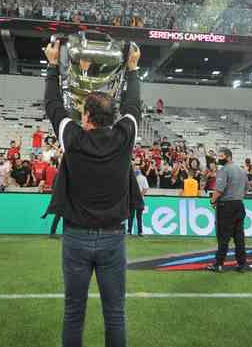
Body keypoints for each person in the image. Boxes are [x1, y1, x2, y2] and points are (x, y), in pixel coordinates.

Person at [42, 39, 141, 347]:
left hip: (75, 237)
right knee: (115, 312)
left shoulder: (72, 138)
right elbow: (134, 105)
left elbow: (53, 106)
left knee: (74, 312)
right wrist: (133, 69)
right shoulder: (125, 137)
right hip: (113, 237)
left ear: (85, 117)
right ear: (114, 117)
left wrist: (52, 65)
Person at [207, 148, 249, 273]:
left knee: (223, 236)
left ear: (228, 156)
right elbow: (246, 187)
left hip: (226, 206)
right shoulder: (242, 170)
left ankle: (219, 263)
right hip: (239, 204)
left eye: (221, 155)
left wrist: (212, 201)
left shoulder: (224, 170)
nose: (219, 158)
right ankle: (242, 264)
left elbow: (219, 189)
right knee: (239, 236)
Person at [128, 164, 148, 236]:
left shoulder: (143, 178)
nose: (136, 170)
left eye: (137, 169)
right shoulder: (130, 178)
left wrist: (140, 196)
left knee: (138, 216)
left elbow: (145, 188)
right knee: (131, 216)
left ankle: (140, 232)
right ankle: (129, 231)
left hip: (139, 200)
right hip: (132, 200)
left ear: (139, 170)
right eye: (135, 169)